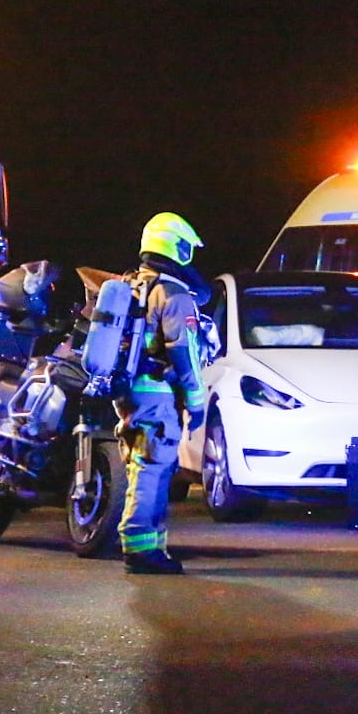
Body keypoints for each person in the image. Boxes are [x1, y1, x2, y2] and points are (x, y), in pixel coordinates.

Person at [116, 212, 210, 575]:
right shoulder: (172, 293)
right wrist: (196, 398)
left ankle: (150, 546)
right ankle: (140, 548)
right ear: (175, 245)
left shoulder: (134, 285)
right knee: (152, 469)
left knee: (144, 464)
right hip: (156, 395)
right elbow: (183, 349)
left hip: (131, 392)